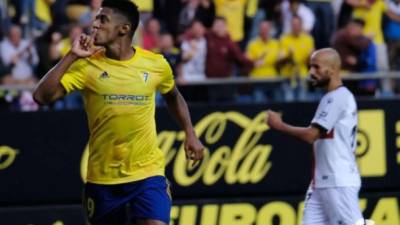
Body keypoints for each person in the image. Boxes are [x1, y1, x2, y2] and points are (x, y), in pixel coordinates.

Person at [33, 1, 204, 225]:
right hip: (103, 178)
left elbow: (173, 95)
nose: (94, 24)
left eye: (102, 20)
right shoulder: (86, 66)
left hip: (147, 174)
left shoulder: (155, 64)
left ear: (123, 29)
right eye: (96, 18)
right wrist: (70, 56)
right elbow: (41, 97)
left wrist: (190, 132)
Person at [266, 48, 364, 225]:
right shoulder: (330, 97)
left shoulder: (339, 97)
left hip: (337, 180)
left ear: (333, 69)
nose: (311, 72)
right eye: (311, 67)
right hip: (320, 183)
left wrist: (279, 126)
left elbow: (311, 135)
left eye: (316, 67)